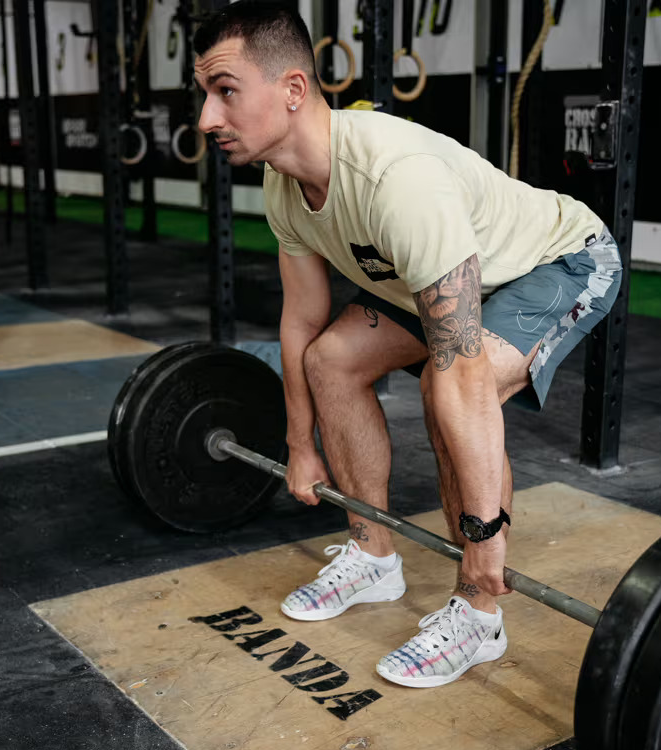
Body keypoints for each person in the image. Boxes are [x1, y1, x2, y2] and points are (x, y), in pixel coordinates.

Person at [193, 2, 621, 689]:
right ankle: (373, 558)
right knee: (330, 359)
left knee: (446, 390)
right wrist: (300, 446)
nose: (207, 118)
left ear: (293, 91)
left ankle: (480, 612)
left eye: (225, 91)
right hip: (432, 279)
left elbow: (463, 372)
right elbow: (302, 322)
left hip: (552, 262)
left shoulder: (396, 179)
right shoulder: (283, 185)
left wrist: (483, 537)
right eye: (205, 95)